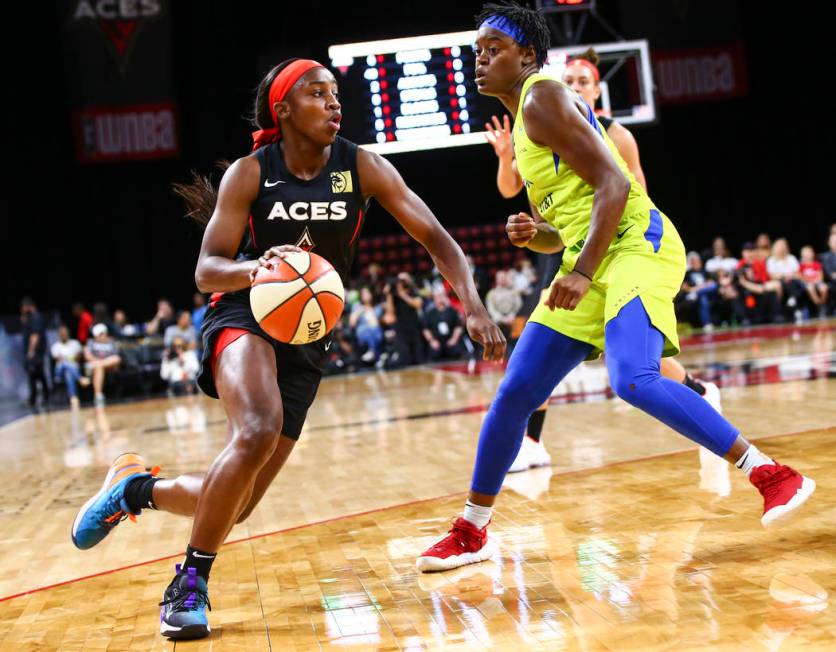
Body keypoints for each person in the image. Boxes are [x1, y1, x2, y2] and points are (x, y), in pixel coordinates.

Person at [70, 58, 505, 640]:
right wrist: (253, 269)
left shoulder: (362, 167)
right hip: (244, 313)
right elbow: (206, 270)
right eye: (317, 94)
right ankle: (189, 584)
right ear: (283, 110)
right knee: (256, 428)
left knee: (238, 504)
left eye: (335, 93)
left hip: (308, 334)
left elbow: (436, 238)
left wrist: (473, 305)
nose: (334, 103)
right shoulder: (250, 174)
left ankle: (133, 490)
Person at [417, 3, 815, 573]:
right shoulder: (527, 131)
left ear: (527, 55)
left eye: (493, 49)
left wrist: (579, 272)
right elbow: (566, 229)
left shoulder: (542, 96)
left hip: (635, 244)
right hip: (588, 254)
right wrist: (539, 236)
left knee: (633, 378)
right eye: (476, 51)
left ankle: (773, 473)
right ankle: (471, 529)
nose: (479, 59)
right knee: (515, 393)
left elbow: (614, 185)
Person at [484, 42, 721, 472]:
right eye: (568, 79)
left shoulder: (615, 134)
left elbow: (635, 194)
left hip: (619, 244)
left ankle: (696, 394)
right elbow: (510, 190)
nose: (573, 85)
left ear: (596, 91)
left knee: (633, 355)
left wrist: (630, 255)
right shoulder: (539, 120)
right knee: (545, 349)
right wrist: (506, 161)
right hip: (566, 244)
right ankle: (533, 441)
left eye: (582, 82)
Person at [81, 323, 121, 407]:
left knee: (116, 359)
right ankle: (98, 396)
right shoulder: (91, 342)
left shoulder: (112, 341)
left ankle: (92, 379)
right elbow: (87, 355)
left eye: (101, 334)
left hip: (109, 365)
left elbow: (116, 356)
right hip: (96, 367)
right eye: (97, 335)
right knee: (99, 367)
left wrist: (100, 362)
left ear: (105, 333)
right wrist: (98, 362)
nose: (99, 337)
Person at [20, 297, 49, 409]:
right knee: (37, 374)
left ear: (28, 306)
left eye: (23, 307)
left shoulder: (35, 318)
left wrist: (31, 351)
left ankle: (36, 398)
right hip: (35, 352)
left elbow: (35, 335)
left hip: (36, 352)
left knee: (36, 374)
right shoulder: (31, 318)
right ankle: (37, 397)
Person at [422, 290, 466, 361]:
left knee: (456, 351)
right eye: (438, 297)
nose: (440, 299)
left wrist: (454, 339)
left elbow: (458, 326)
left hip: (450, 340)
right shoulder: (430, 313)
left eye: (442, 296)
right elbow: (426, 329)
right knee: (433, 354)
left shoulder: (452, 311)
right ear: (434, 299)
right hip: (437, 342)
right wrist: (432, 341)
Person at [349, 286, 384, 363]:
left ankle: (373, 352)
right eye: (363, 294)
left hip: (375, 330)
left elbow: (376, 323)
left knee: (374, 330)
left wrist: (370, 312)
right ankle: (376, 354)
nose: (365, 295)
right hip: (362, 332)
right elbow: (352, 323)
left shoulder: (377, 307)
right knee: (369, 333)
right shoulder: (357, 306)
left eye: (367, 293)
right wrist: (360, 311)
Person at [51, 325, 83, 408]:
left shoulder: (75, 343)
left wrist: (69, 358)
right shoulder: (55, 346)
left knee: (68, 373)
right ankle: (80, 378)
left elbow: (78, 357)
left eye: (65, 333)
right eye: (62, 334)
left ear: (68, 334)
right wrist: (69, 359)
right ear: (59, 335)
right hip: (59, 371)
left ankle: (73, 397)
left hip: (73, 369)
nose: (63, 335)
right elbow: (59, 359)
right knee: (65, 364)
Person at [798, 245, 829, 317]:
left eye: (809, 253)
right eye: (805, 253)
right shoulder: (801, 265)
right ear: (802, 255)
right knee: (810, 287)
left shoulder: (816, 264)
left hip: (817, 281)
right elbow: (800, 276)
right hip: (807, 283)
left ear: (813, 254)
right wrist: (808, 280)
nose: (808, 255)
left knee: (824, 287)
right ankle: (817, 303)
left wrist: (816, 280)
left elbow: (821, 276)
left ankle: (822, 303)